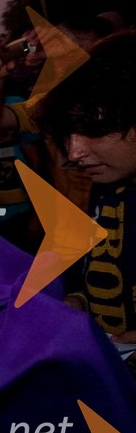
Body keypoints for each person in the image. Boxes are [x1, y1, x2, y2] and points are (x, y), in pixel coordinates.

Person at [34, 30, 136, 372]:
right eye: (68, 133)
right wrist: (79, 301)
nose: (74, 153)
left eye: (93, 128)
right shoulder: (109, 182)